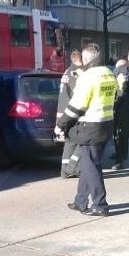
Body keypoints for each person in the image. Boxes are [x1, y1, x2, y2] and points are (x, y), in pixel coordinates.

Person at [56, 43, 117, 217]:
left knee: (91, 166)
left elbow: (76, 106)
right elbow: (115, 97)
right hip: (106, 124)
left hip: (90, 126)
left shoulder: (88, 77)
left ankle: (100, 205)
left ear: (86, 58)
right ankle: (80, 201)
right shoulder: (109, 73)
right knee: (88, 164)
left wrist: (61, 124)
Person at [56, 50, 83, 178]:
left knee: (70, 142)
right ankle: (72, 169)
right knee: (80, 142)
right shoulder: (76, 74)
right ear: (79, 59)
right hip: (75, 113)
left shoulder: (67, 72)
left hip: (66, 114)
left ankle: (65, 170)